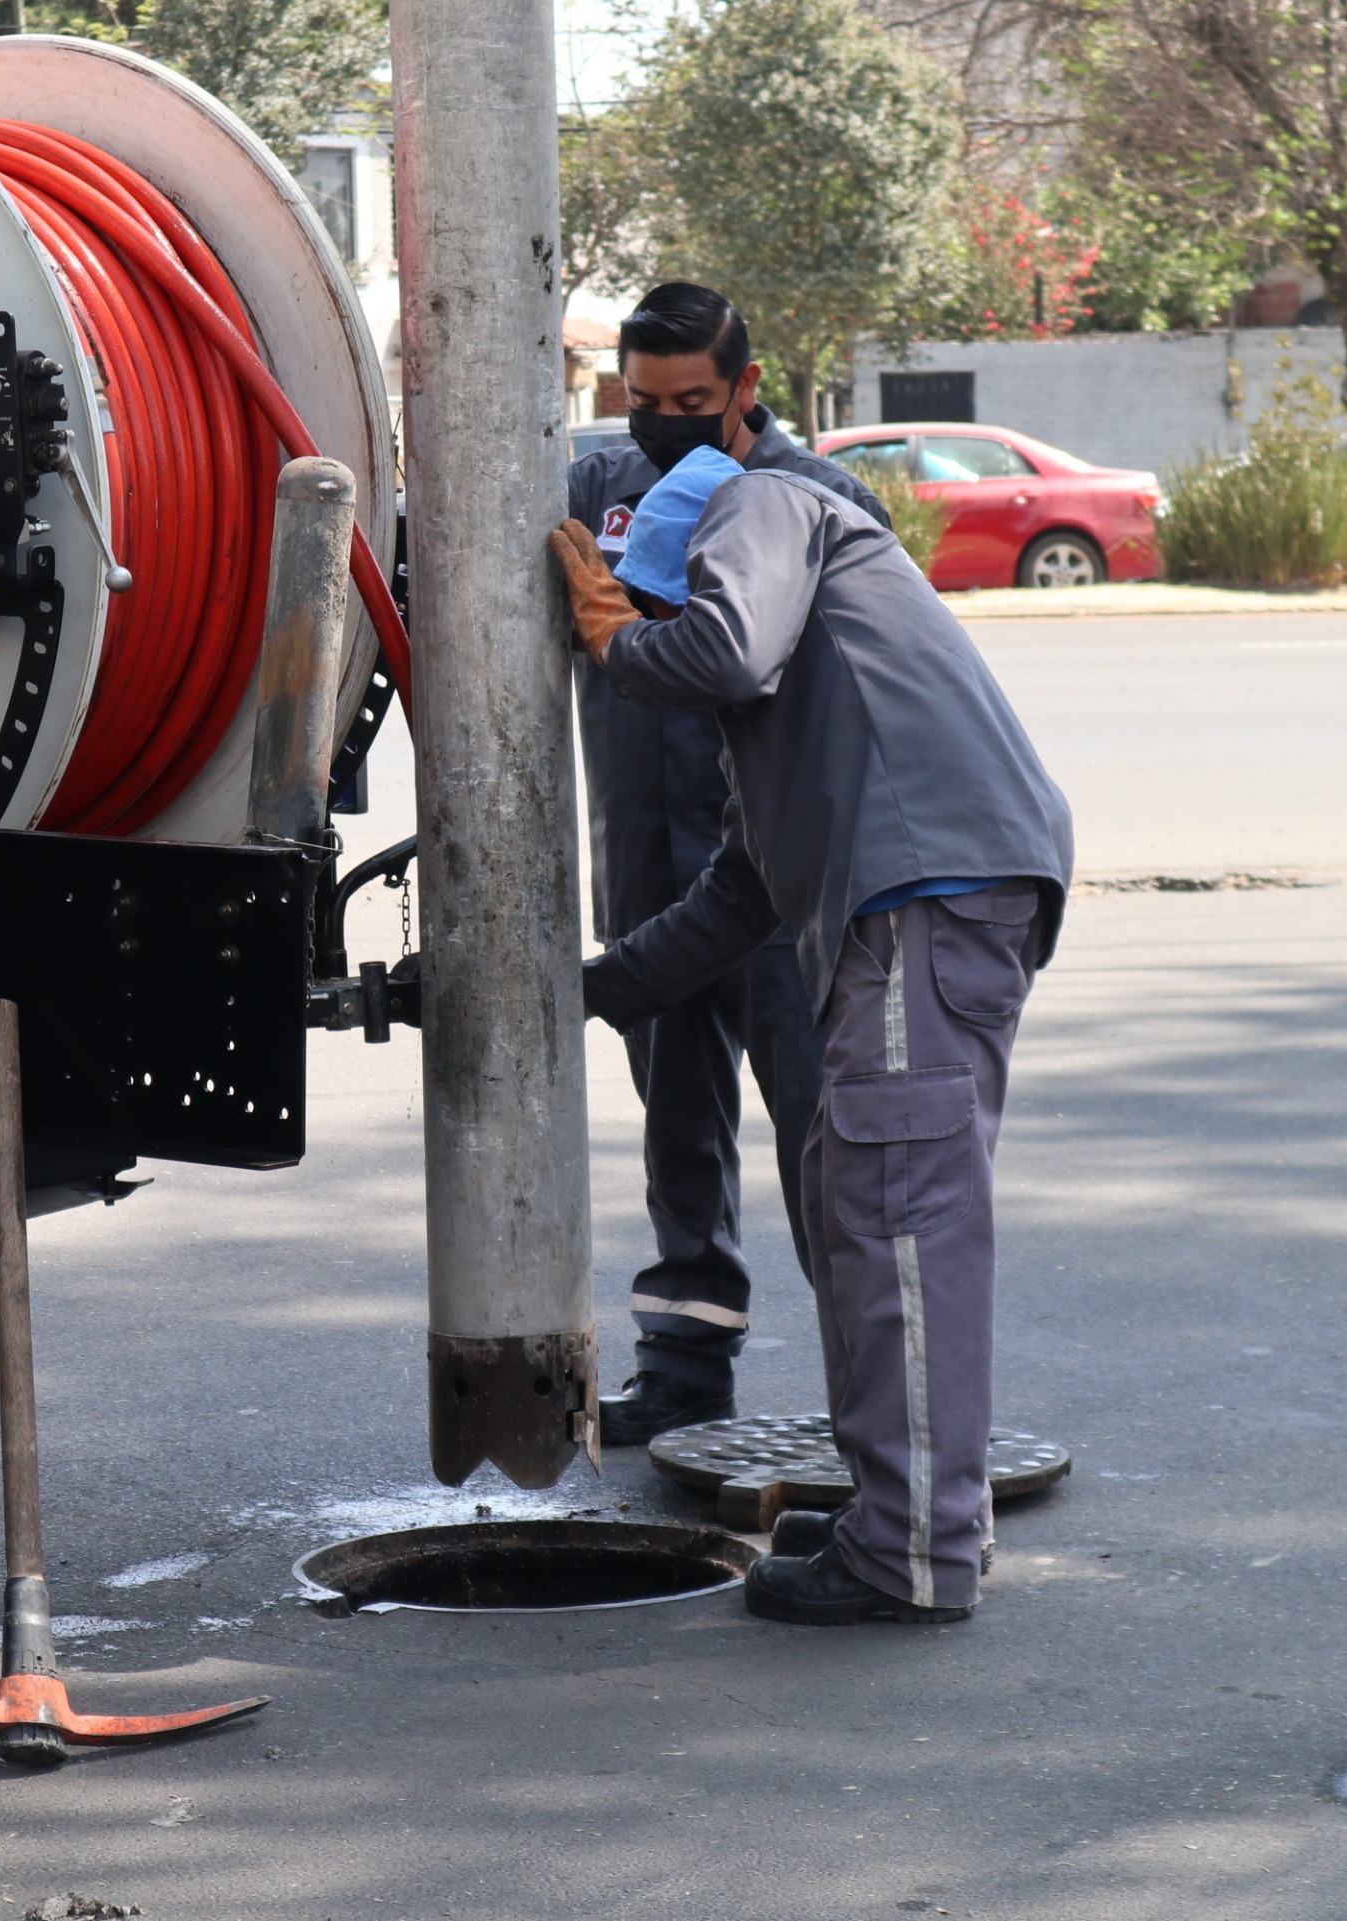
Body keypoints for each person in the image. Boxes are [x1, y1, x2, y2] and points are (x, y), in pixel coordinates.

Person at [552, 462, 1073, 1627]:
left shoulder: (763, 508)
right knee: (860, 1206)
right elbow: (738, 896)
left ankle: (912, 1555)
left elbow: (721, 650)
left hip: (921, 900)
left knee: (895, 1222)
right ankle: (903, 1516)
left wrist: (615, 644)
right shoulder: (804, 706)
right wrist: (581, 989)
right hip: (925, 902)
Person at [569, 282, 891, 1448]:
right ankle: (685, 1372)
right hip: (647, 873)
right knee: (677, 1133)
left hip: (774, 894)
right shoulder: (595, 492)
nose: (662, 423)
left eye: (690, 400)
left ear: (745, 387)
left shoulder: (813, 500)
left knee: (828, 1149)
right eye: (642, 400)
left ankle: (883, 1413)